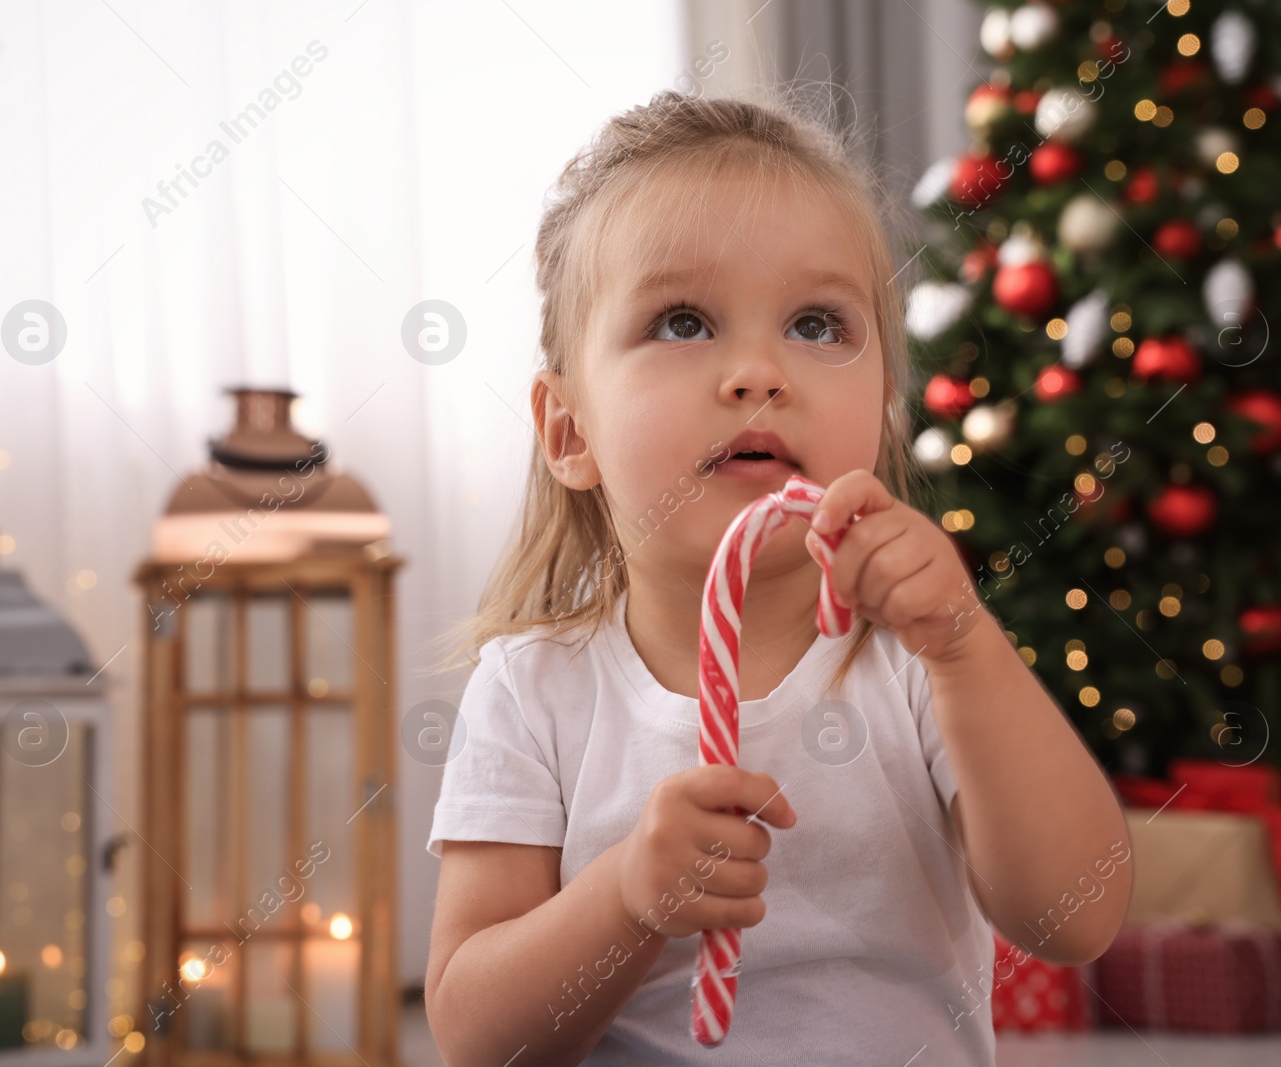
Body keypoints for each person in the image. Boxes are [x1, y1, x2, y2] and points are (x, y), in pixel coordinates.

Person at [422, 89, 1131, 1066]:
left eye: (814, 324)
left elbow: (1074, 914)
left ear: (883, 405)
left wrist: (965, 646)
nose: (758, 371)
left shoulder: (918, 663)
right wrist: (626, 896)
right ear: (568, 429)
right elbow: (474, 1036)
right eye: (681, 321)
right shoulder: (532, 692)